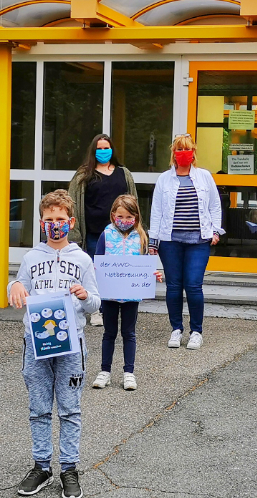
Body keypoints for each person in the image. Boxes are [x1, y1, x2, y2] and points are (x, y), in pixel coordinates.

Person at [8, 190, 101, 498]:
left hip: (71, 344)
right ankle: (41, 466)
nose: (55, 224)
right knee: (39, 408)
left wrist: (86, 297)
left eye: (61, 219)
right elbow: (17, 287)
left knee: (70, 408)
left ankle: (69, 468)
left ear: (71, 222)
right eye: (49, 220)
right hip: (36, 343)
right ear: (41, 223)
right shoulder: (32, 258)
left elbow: (95, 303)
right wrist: (16, 285)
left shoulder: (83, 260)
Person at [148, 134, 223, 351]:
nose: (183, 153)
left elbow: (215, 206)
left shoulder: (204, 176)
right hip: (170, 240)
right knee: (173, 286)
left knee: (193, 285)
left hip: (198, 240)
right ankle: (176, 329)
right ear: (173, 153)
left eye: (187, 150)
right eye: (179, 150)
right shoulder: (164, 179)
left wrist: (216, 231)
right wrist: (153, 241)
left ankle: (196, 331)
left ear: (193, 153)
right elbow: (157, 211)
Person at [92, 194, 162, 392]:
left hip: (131, 294)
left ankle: (128, 373)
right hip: (109, 294)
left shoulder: (141, 237)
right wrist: (95, 272)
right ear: (113, 215)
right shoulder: (105, 235)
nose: (124, 221)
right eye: (120, 216)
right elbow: (97, 260)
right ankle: (105, 371)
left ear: (136, 217)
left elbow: (145, 264)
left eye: (129, 217)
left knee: (129, 333)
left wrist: (152, 274)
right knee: (109, 333)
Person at [67, 133, 137, 326]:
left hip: (119, 234)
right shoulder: (83, 175)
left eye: (107, 148)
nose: (103, 151)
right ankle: (96, 310)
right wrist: (75, 235)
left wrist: (136, 228)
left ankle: (114, 307)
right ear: (93, 150)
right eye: (99, 148)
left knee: (115, 272)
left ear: (112, 150)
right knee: (94, 272)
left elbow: (133, 202)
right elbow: (72, 202)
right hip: (95, 234)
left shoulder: (124, 173)